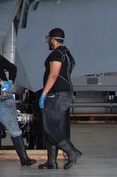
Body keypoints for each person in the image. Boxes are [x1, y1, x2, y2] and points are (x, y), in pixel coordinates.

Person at [37, 28, 80, 169]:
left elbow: (54, 75)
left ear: (52, 39)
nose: (48, 41)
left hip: (57, 94)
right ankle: (51, 161)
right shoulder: (67, 53)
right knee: (52, 125)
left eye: (48, 39)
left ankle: (71, 152)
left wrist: (44, 93)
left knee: (49, 126)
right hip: (64, 93)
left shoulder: (56, 53)